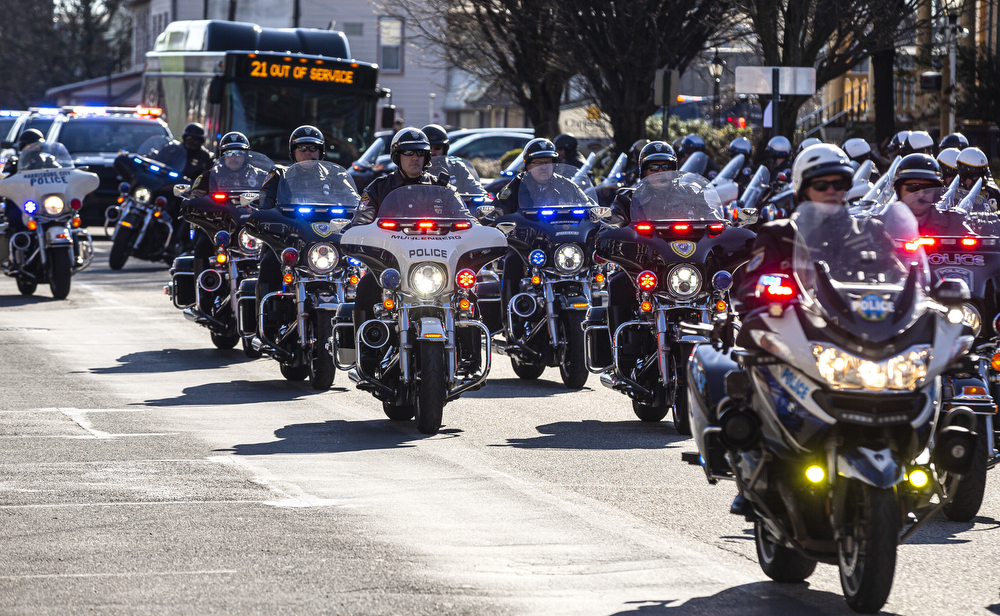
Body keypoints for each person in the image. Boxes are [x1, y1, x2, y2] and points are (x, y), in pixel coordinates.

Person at [350, 127, 452, 331]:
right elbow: (361, 220)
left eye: (420, 153)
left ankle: (471, 355)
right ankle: (368, 347)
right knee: (368, 284)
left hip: (437, 264)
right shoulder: (378, 187)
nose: (415, 157)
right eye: (409, 152)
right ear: (397, 156)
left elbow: (466, 219)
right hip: (391, 263)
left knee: (467, 291)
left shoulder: (442, 189)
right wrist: (358, 230)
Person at [494, 138, 590, 317]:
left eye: (548, 162)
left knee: (592, 267)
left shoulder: (567, 186)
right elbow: (498, 211)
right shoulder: (515, 187)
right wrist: (498, 219)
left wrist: (596, 215)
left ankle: (595, 321)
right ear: (527, 165)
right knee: (512, 261)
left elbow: (588, 205)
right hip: (530, 245)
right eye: (537, 163)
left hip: (562, 243)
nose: (543, 167)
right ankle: (511, 317)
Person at [254, 125, 333, 327]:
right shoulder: (280, 174)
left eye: (313, 148)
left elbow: (354, 201)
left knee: (355, 267)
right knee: (270, 261)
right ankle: (266, 321)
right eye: (302, 148)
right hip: (288, 238)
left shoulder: (334, 176)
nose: (308, 153)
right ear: (293, 152)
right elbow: (265, 202)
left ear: (320, 152)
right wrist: (265, 211)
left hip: (326, 239)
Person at [604, 141, 678, 335]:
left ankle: (721, 348)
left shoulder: (693, 195)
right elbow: (614, 223)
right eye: (654, 168)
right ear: (643, 171)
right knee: (618, 283)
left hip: (683, 263)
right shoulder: (628, 198)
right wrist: (611, 232)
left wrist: (728, 226)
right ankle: (622, 345)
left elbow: (712, 217)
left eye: (666, 167)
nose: (660, 172)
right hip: (643, 264)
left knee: (718, 285)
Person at [891, 153, 970, 237]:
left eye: (927, 189)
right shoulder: (882, 224)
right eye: (913, 188)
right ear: (899, 190)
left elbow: (979, 246)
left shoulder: (954, 224)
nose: (921, 194)